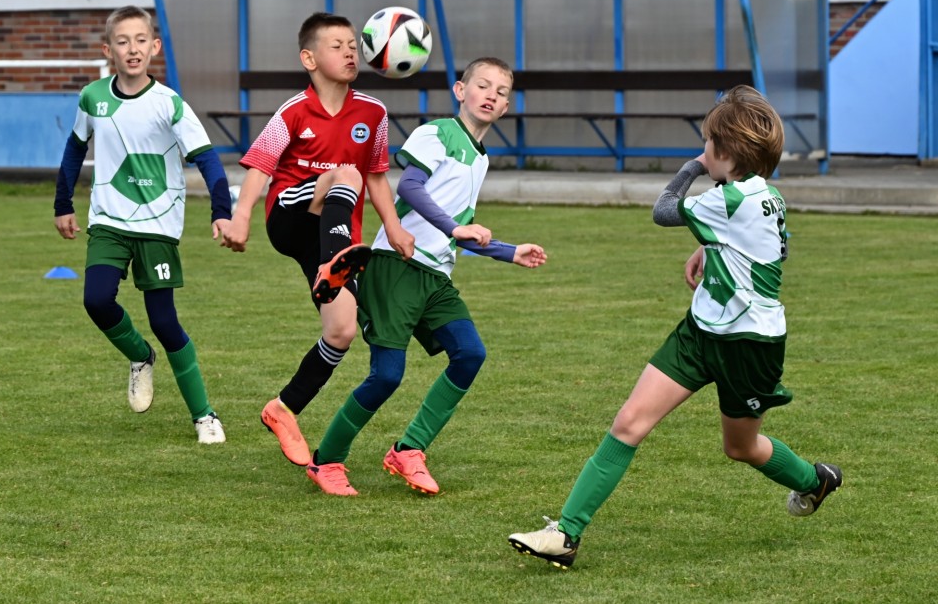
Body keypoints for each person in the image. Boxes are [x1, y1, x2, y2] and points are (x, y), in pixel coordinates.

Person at [507, 85, 842, 569]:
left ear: (725, 152)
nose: (704, 147)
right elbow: (771, 246)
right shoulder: (767, 195)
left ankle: (815, 481)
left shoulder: (727, 199)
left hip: (750, 345)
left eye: (709, 142)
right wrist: (710, 247)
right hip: (700, 332)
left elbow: (663, 210)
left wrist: (693, 167)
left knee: (740, 447)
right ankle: (566, 535)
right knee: (629, 422)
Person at [304, 57, 548, 496]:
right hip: (396, 267)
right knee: (386, 376)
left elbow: (460, 230)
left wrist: (509, 252)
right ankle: (326, 460)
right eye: (483, 85)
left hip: (436, 276)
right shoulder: (437, 133)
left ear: (507, 106)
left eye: (501, 92)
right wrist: (455, 228)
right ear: (460, 91)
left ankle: (408, 449)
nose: (491, 95)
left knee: (470, 354)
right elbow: (410, 188)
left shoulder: (480, 159)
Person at [220, 12, 414, 466]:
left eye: (354, 45)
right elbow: (260, 167)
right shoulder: (293, 111)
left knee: (342, 329)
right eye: (337, 46)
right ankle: (335, 263)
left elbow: (377, 176)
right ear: (309, 58)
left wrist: (394, 227)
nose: (350, 52)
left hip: (333, 233)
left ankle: (283, 408)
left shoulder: (374, 113)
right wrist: (240, 217)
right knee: (343, 173)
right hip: (290, 215)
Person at [53, 5, 231, 444]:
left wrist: (221, 211)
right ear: (108, 50)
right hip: (108, 220)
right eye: (122, 41)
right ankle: (139, 355)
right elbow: (75, 150)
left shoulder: (169, 103)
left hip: (158, 226)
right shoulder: (92, 97)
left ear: (154, 47)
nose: (132, 49)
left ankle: (204, 416)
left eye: (140, 40)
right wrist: (63, 203)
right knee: (96, 300)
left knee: (165, 322)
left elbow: (207, 159)